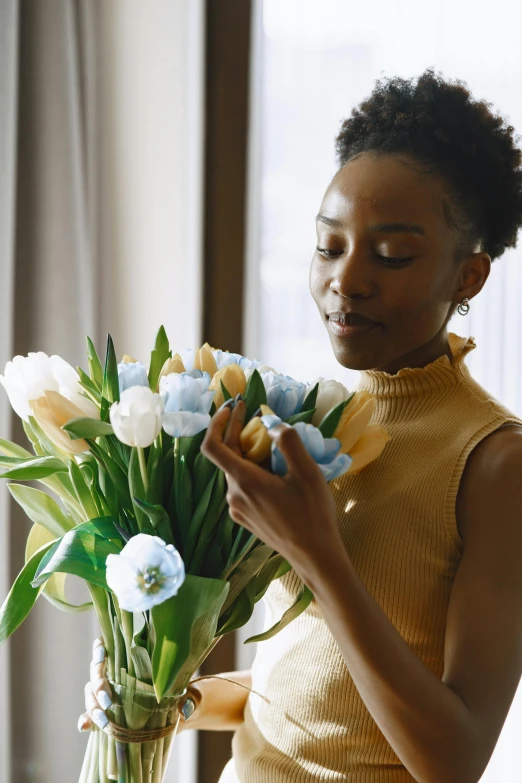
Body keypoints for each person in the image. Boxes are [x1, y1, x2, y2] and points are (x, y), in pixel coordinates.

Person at [79, 68, 522, 782]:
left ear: (468, 278)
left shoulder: (494, 460)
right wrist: (157, 697)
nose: (347, 280)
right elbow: (302, 693)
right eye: (329, 245)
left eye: (392, 255)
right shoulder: (330, 422)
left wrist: (318, 554)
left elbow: (454, 758)